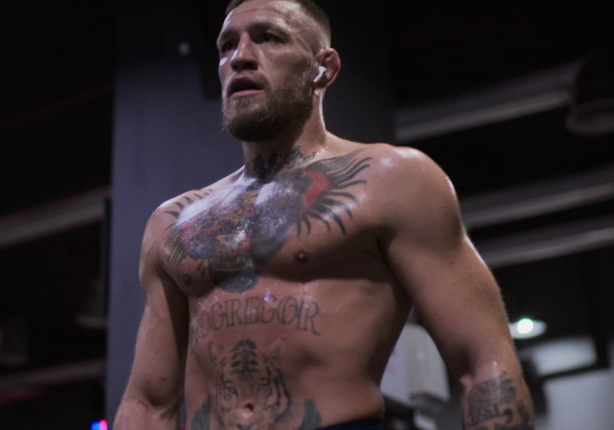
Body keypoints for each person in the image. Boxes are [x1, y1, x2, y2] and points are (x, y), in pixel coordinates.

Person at [114, 0, 535, 429]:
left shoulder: (393, 179)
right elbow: (147, 402)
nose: (239, 57)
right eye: (226, 46)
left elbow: (482, 364)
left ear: (324, 68)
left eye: (268, 37)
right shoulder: (175, 222)